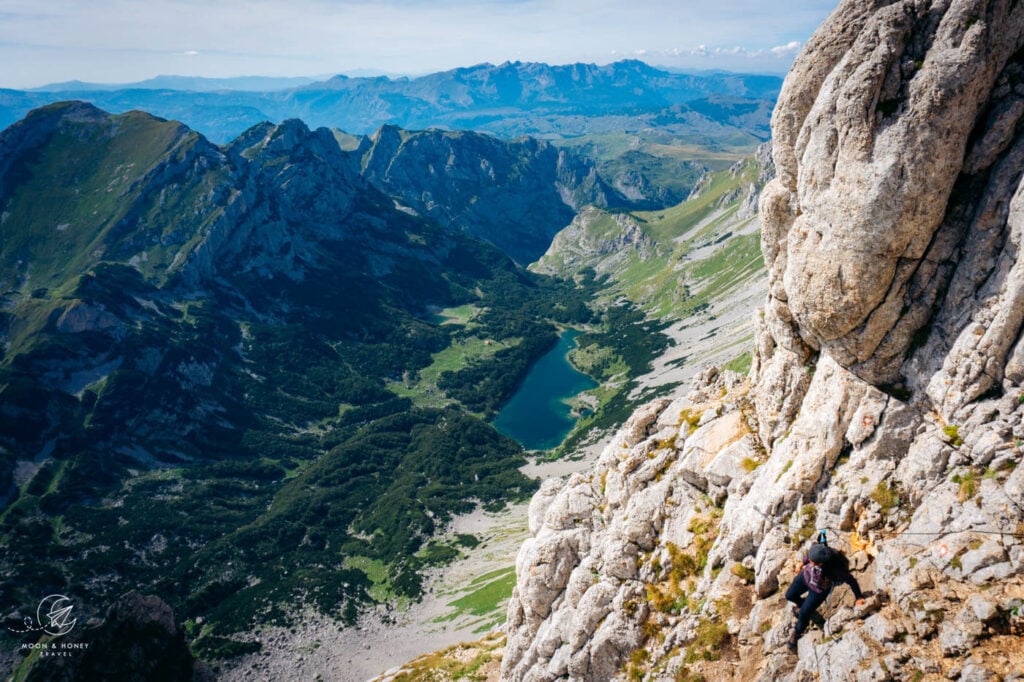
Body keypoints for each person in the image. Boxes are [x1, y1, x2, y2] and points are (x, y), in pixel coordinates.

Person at [786, 541, 865, 652]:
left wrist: (859, 597)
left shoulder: (835, 569)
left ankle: (797, 633)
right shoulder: (816, 551)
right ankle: (804, 608)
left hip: (818, 591)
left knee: (804, 613)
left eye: (812, 562)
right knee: (790, 595)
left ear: (820, 563)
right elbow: (809, 556)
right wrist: (801, 564)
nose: (810, 562)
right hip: (805, 577)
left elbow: (851, 580)